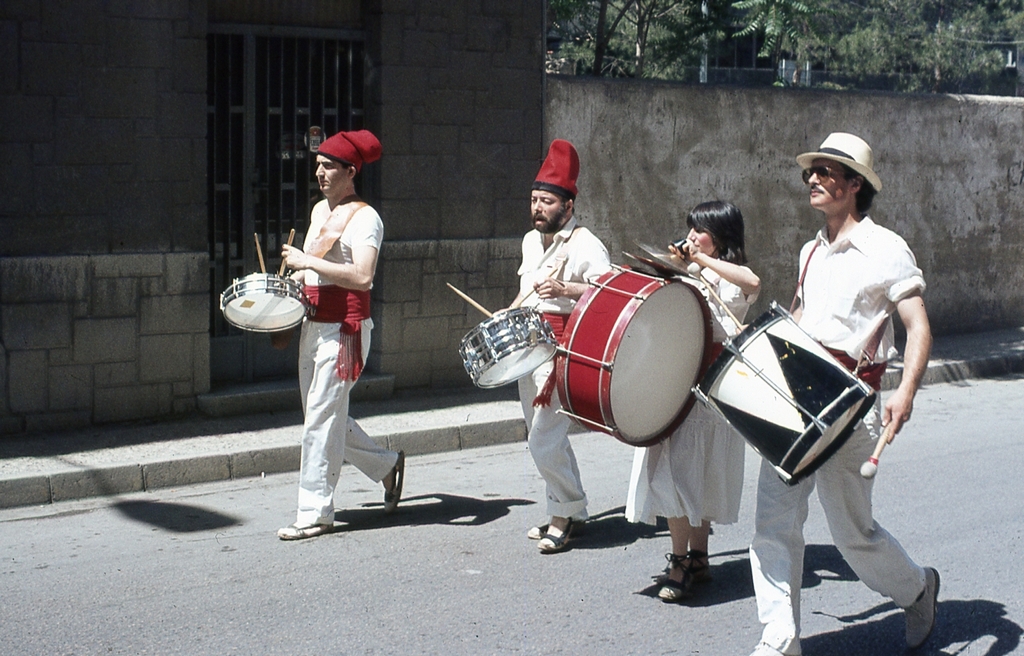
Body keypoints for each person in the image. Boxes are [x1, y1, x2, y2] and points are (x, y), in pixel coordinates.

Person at [747, 133, 938, 655]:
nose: (812, 179)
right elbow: (802, 318)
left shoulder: (886, 248)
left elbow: (917, 325)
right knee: (773, 522)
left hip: (851, 407)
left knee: (853, 536)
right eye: (810, 172)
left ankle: (917, 589)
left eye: (826, 172)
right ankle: (780, 639)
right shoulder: (810, 249)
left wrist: (906, 391)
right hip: (796, 401)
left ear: (855, 185)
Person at [273, 128, 405, 540]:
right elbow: (311, 271)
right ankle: (387, 465)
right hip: (314, 325)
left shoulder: (366, 218)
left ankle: (315, 512)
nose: (320, 173)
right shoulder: (319, 212)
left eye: (329, 166)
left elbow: (363, 276)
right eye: (318, 165)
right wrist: (287, 292)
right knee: (325, 416)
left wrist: (307, 260)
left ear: (351, 172)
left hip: (345, 330)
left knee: (319, 419)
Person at [626, 201, 761, 601]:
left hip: (712, 384)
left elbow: (753, 282)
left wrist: (700, 260)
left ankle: (687, 560)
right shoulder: (688, 270)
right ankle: (691, 556)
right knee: (675, 469)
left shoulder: (730, 275)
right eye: (690, 228)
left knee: (695, 469)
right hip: (678, 377)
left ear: (719, 236)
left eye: (699, 230)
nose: (690, 236)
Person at [510, 139, 611, 553]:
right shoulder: (529, 241)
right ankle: (574, 507)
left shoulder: (586, 243)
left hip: (560, 350)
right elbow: (526, 291)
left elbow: (608, 293)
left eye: (547, 202)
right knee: (543, 436)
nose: (538, 208)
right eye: (534, 200)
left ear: (567, 207)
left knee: (543, 439)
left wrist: (567, 288)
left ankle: (563, 516)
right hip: (526, 345)